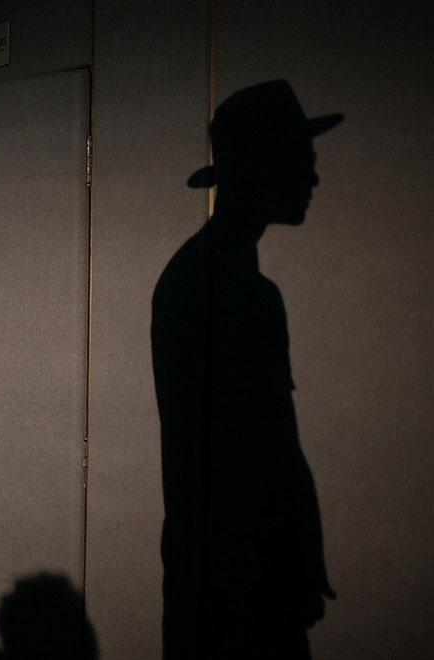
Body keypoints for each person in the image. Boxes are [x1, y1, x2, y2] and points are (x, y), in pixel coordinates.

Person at [151, 80, 341, 659]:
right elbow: (269, 446)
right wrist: (298, 560)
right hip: (246, 586)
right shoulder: (242, 291)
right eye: (302, 162)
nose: (313, 178)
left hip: (215, 579)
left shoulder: (193, 275)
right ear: (268, 166)